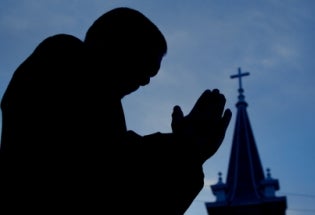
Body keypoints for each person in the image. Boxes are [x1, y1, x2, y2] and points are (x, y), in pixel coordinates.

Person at [0, 7, 232, 214]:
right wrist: (186, 149)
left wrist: (186, 149)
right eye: (145, 67)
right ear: (119, 45)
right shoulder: (65, 59)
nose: (145, 82)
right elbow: (108, 174)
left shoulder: (89, 95)